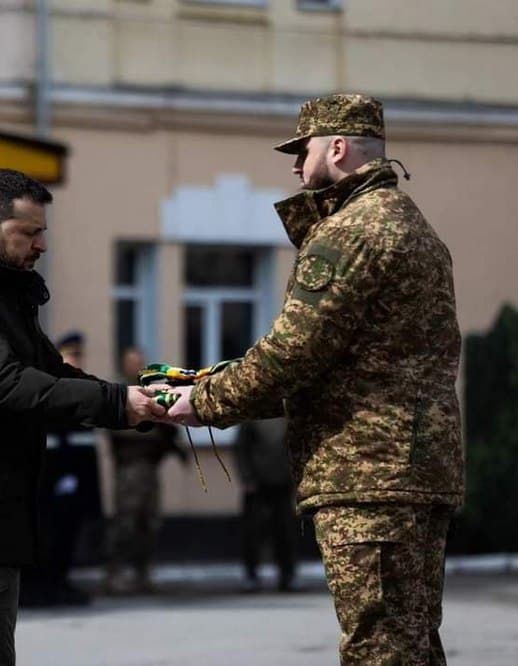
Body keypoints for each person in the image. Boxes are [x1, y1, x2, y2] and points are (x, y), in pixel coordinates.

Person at [161, 94, 465, 665]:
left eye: (302, 152)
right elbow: (355, 365)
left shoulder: (350, 234)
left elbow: (291, 356)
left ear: (337, 147)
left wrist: (201, 401)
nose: (298, 168)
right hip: (416, 470)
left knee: (379, 648)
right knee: (413, 644)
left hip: (367, 476)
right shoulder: (415, 229)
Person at [0, 168, 163, 665]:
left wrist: (135, 403)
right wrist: (116, 404)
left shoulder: (2, 298)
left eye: (42, 231)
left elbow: (55, 373)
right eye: (29, 232)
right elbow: (6, 385)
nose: (41, 244)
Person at [22, 330, 103, 607]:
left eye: (79, 355)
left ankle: (60, 582)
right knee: (47, 536)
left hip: (76, 481)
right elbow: (49, 441)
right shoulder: (51, 390)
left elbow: (86, 446)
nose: (76, 360)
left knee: (68, 536)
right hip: (48, 483)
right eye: (71, 355)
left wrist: (89, 492)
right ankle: (42, 586)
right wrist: (54, 479)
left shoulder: (84, 390)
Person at [103, 346, 186, 596]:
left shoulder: (151, 391)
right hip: (129, 469)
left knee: (148, 523)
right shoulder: (120, 395)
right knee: (125, 523)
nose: (136, 368)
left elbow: (168, 427)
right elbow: (117, 431)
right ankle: (114, 573)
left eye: (139, 363)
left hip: (149, 468)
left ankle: (142, 573)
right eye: (132, 362)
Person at [234, 417, 296, 593]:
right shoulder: (253, 417)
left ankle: (287, 575)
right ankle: (251, 574)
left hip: (283, 482)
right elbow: (241, 448)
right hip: (257, 483)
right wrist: (247, 478)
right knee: (253, 531)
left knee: (284, 531)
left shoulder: (288, 416)